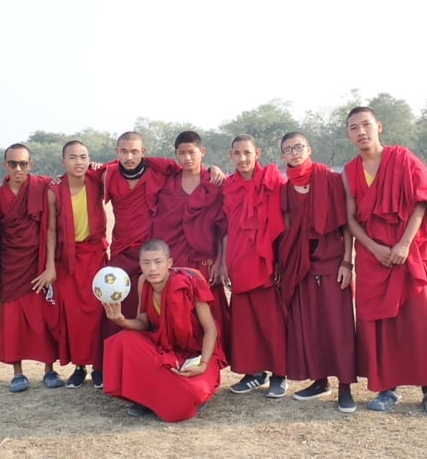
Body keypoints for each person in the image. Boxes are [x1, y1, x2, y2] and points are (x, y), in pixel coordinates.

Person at [342, 107, 427, 415]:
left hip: (407, 251)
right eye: (354, 128)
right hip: (371, 255)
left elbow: (422, 201)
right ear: (349, 135)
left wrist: (404, 243)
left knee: (419, 321)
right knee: (378, 323)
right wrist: (374, 249)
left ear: (379, 125)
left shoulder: (402, 158)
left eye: (366, 124)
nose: (361, 131)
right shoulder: (350, 170)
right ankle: (387, 388)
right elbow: (350, 220)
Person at [90, 131, 223, 388]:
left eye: (135, 151)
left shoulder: (159, 170)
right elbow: (82, 174)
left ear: (144, 152)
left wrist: (213, 168)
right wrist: (94, 166)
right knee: (116, 307)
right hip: (122, 250)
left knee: (157, 312)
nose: (129, 156)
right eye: (124, 151)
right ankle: (104, 366)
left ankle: (162, 363)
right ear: (117, 152)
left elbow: (191, 164)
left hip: (152, 255)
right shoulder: (108, 174)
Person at [103, 239, 226, 422]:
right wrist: (121, 320)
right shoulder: (143, 283)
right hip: (166, 349)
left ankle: (164, 393)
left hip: (197, 354)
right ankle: (146, 398)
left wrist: (203, 364)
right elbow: (143, 323)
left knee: (193, 391)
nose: (152, 268)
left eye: (158, 262)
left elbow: (210, 330)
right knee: (124, 339)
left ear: (169, 263)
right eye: (146, 263)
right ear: (140, 265)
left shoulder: (190, 282)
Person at [278, 132, 357, 413]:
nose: (295, 153)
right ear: (283, 156)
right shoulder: (286, 189)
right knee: (309, 325)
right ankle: (320, 380)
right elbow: (288, 230)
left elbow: (346, 225)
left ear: (309, 149)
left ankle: (345, 386)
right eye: (288, 150)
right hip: (302, 265)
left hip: (333, 261)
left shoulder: (329, 179)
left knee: (339, 326)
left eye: (299, 147)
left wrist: (347, 262)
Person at [0, 143, 64, 392]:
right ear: (5, 165)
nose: (19, 168)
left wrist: (50, 265)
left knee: (42, 316)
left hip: (38, 262)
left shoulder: (43, 186)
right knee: (13, 317)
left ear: (31, 164)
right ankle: (17, 372)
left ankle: (49, 369)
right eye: (13, 164)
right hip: (12, 264)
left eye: (23, 163)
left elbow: (67, 182)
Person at [151, 131, 230, 358]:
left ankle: (210, 360)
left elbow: (221, 226)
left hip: (204, 261)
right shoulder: (169, 183)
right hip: (175, 260)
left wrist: (220, 261)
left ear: (202, 152)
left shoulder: (213, 183)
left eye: (191, 152)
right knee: (177, 310)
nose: (187, 158)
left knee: (208, 313)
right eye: (181, 153)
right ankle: (179, 358)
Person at [222, 134, 288, 398]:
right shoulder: (228, 186)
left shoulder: (273, 181)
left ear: (257, 153)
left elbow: (287, 221)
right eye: (237, 154)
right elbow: (225, 228)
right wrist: (225, 263)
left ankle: (279, 374)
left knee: (272, 319)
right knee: (245, 320)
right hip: (239, 258)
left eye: (247, 153)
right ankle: (254, 372)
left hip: (266, 259)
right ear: (231, 156)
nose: (242, 159)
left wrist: (282, 259)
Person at [46, 140, 108, 389]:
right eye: (73, 157)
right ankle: (79, 367)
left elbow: (124, 169)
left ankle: (99, 367)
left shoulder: (98, 181)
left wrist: (103, 167)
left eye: (84, 156)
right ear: (64, 162)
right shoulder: (54, 190)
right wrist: (50, 265)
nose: (79, 162)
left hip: (95, 256)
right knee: (73, 316)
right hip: (68, 261)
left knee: (97, 313)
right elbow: (51, 229)